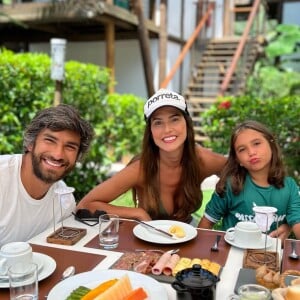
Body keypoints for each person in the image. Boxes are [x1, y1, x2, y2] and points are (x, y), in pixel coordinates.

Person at [77, 89, 226, 226]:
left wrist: (217, 213)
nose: (167, 129)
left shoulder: (202, 159)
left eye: (174, 119)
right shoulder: (140, 168)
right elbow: (84, 205)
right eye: (158, 122)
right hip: (148, 236)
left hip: (190, 234)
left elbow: (239, 171)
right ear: (150, 131)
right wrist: (137, 213)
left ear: (186, 123)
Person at [0, 104, 94, 246]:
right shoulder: (3, 178)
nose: (58, 154)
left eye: (70, 147)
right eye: (50, 140)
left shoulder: (64, 201)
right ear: (31, 143)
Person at [198, 120, 300, 241]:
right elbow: (205, 225)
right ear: (238, 160)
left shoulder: (290, 187)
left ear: (271, 145)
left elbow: (297, 222)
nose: (251, 152)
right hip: (232, 255)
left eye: (256, 143)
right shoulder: (229, 186)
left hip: (271, 256)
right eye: (242, 149)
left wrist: (289, 225)